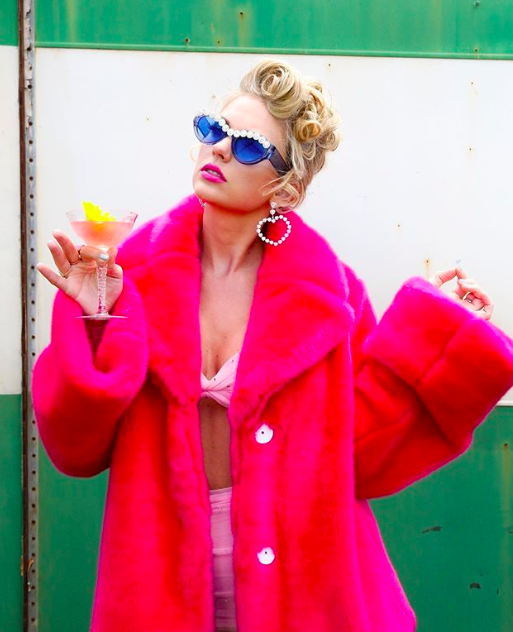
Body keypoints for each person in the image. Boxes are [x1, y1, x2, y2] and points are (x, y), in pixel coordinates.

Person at [33, 60, 513, 632]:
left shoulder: (332, 298)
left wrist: (435, 334)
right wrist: (96, 320)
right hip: (160, 582)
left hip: (307, 587)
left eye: (248, 146)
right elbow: (75, 451)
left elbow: (365, 456)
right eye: (213, 129)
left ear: (287, 187)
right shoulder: (130, 274)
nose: (219, 149)